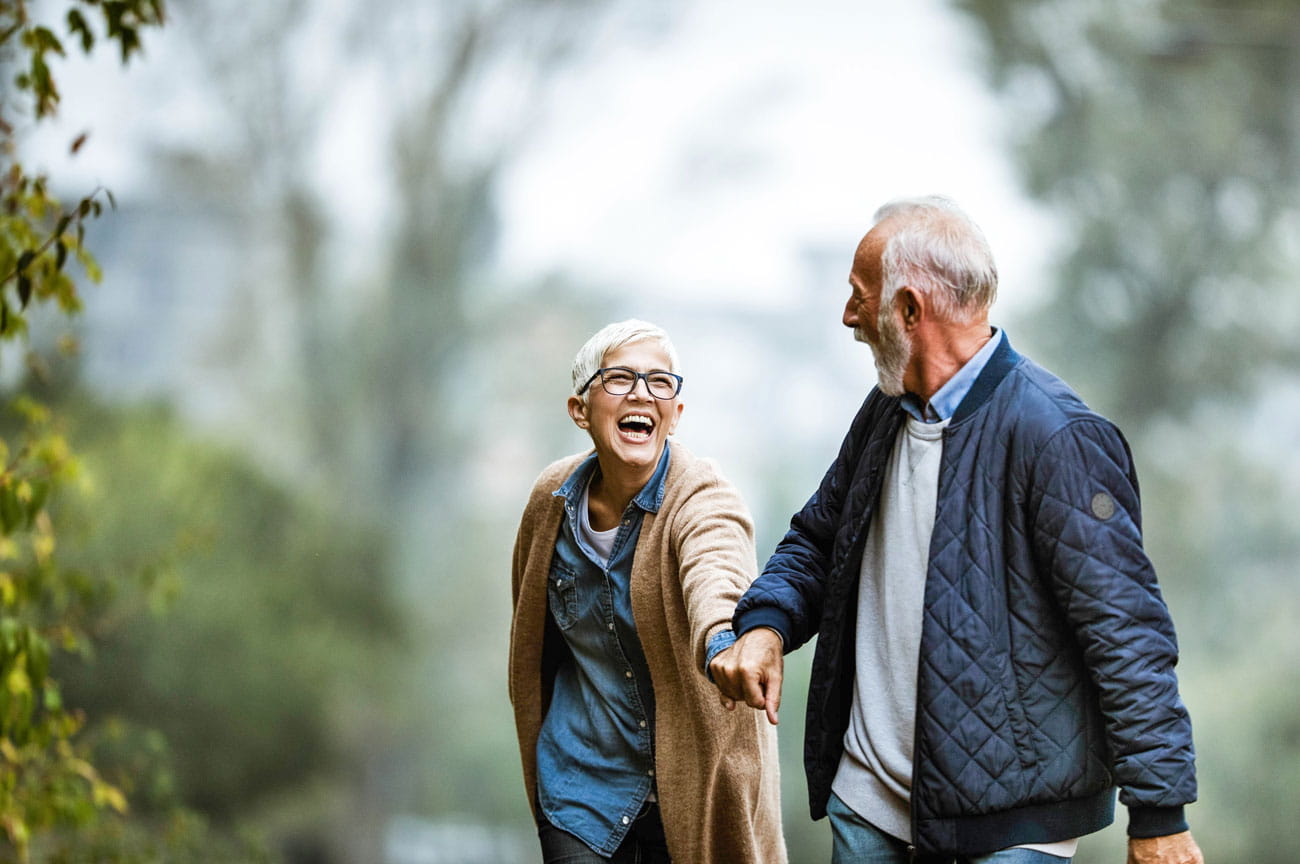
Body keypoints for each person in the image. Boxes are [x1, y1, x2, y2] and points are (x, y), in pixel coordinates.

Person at [709, 197, 1203, 864]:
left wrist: (1159, 814)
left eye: (860, 296)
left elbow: (1125, 633)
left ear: (909, 310)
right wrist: (766, 625)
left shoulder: (1056, 436)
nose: (848, 316)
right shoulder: (884, 412)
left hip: (1012, 829)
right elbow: (820, 541)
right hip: (868, 804)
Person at [508, 319, 786, 864]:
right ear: (580, 409)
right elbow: (532, 640)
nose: (642, 393)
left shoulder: (702, 496)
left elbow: (717, 572)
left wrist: (723, 643)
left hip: (688, 795)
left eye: (660, 382)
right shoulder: (550, 503)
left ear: (675, 415)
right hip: (578, 791)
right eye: (619, 378)